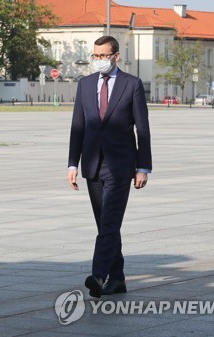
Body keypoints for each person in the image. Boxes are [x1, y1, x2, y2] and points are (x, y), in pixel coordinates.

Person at [67, 36, 152, 298]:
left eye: (104, 56)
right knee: (105, 224)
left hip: (120, 166)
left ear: (116, 56)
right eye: (96, 56)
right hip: (92, 165)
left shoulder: (132, 84)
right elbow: (78, 127)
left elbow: (143, 129)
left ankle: (98, 275)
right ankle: (117, 279)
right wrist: (72, 163)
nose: (99, 61)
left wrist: (143, 167)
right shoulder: (85, 85)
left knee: (109, 222)